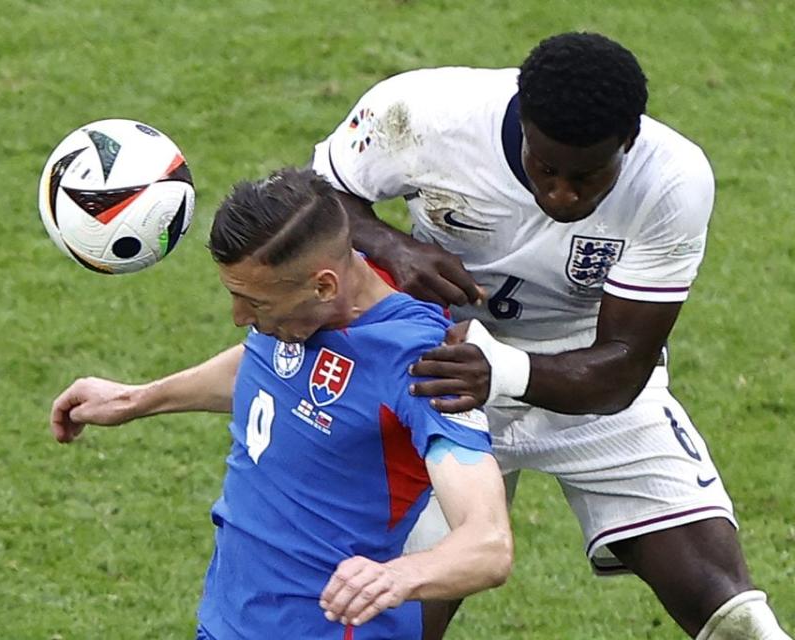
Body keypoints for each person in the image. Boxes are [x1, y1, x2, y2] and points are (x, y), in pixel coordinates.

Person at [311, 32, 790, 640]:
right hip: (432, 370)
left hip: (584, 370)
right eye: (546, 168)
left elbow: (622, 370)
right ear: (522, 123)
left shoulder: (672, 179)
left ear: (629, 142)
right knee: (384, 617)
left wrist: (499, 373)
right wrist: (391, 245)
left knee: (736, 619)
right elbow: (318, 194)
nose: (563, 193)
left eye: (589, 177)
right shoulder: (424, 113)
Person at [50, 168, 513, 639]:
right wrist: (137, 399)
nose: (239, 318)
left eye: (254, 304)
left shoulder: (420, 364)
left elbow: (488, 543)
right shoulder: (301, 314)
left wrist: (398, 576)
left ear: (325, 287)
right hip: (229, 622)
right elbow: (267, 369)